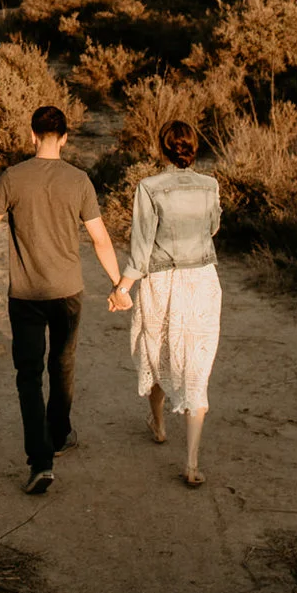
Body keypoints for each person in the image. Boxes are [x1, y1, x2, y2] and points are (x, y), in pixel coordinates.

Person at [0, 104, 125, 495]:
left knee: (28, 376)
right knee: (62, 363)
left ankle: (40, 461)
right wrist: (118, 284)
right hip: (67, 291)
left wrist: (4, 211)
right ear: (64, 138)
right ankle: (59, 435)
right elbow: (100, 238)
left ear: (31, 136)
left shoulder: (12, 177)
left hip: (25, 293)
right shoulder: (78, 181)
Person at [113, 118, 222, 487]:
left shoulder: (149, 187)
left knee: (158, 351)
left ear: (162, 148)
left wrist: (123, 288)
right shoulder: (210, 185)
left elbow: (142, 246)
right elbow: (213, 228)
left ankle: (158, 423)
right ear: (194, 148)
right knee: (196, 363)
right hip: (203, 280)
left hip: (162, 280)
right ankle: (191, 463)